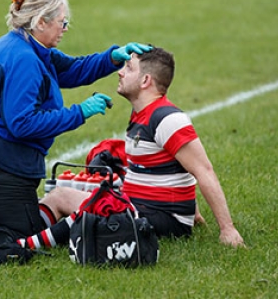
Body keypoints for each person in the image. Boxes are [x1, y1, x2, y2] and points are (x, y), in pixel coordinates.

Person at [0, 0, 153, 238]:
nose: (65, 29)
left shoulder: (29, 46)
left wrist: (112, 58)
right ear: (40, 22)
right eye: (62, 23)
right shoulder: (24, 59)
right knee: (25, 235)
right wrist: (79, 113)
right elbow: (22, 124)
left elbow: (70, 69)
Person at [19, 47, 245, 249]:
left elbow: (202, 170)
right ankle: (22, 231)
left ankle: (22, 245)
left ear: (145, 80)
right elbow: (175, 168)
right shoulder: (141, 114)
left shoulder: (167, 119)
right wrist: (195, 214)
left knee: (78, 203)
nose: (120, 72)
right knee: (66, 195)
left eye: (128, 68)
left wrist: (227, 229)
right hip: (142, 207)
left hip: (159, 217)